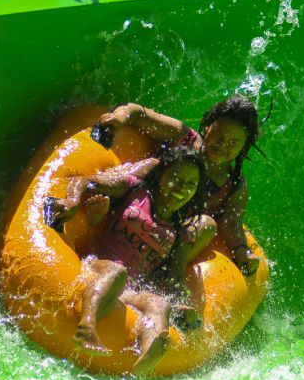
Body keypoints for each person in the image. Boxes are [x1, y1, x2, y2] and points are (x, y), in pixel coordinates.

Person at [45, 144, 206, 373]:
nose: (181, 188)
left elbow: (167, 277)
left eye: (190, 185)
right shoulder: (134, 190)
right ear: (161, 175)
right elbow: (84, 181)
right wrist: (72, 201)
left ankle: (144, 361)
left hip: (130, 290)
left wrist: (179, 308)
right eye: (176, 178)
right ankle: (87, 326)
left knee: (159, 304)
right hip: (97, 265)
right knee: (117, 272)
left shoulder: (177, 229)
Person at [95, 95, 265, 278]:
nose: (223, 144)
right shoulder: (184, 138)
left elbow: (232, 223)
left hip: (167, 240)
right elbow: (138, 113)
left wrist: (241, 250)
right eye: (219, 134)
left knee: (207, 224)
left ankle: (165, 275)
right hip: (138, 212)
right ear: (208, 126)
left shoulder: (234, 184)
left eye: (233, 142)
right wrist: (119, 118)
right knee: (153, 164)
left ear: (243, 147)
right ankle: (94, 188)